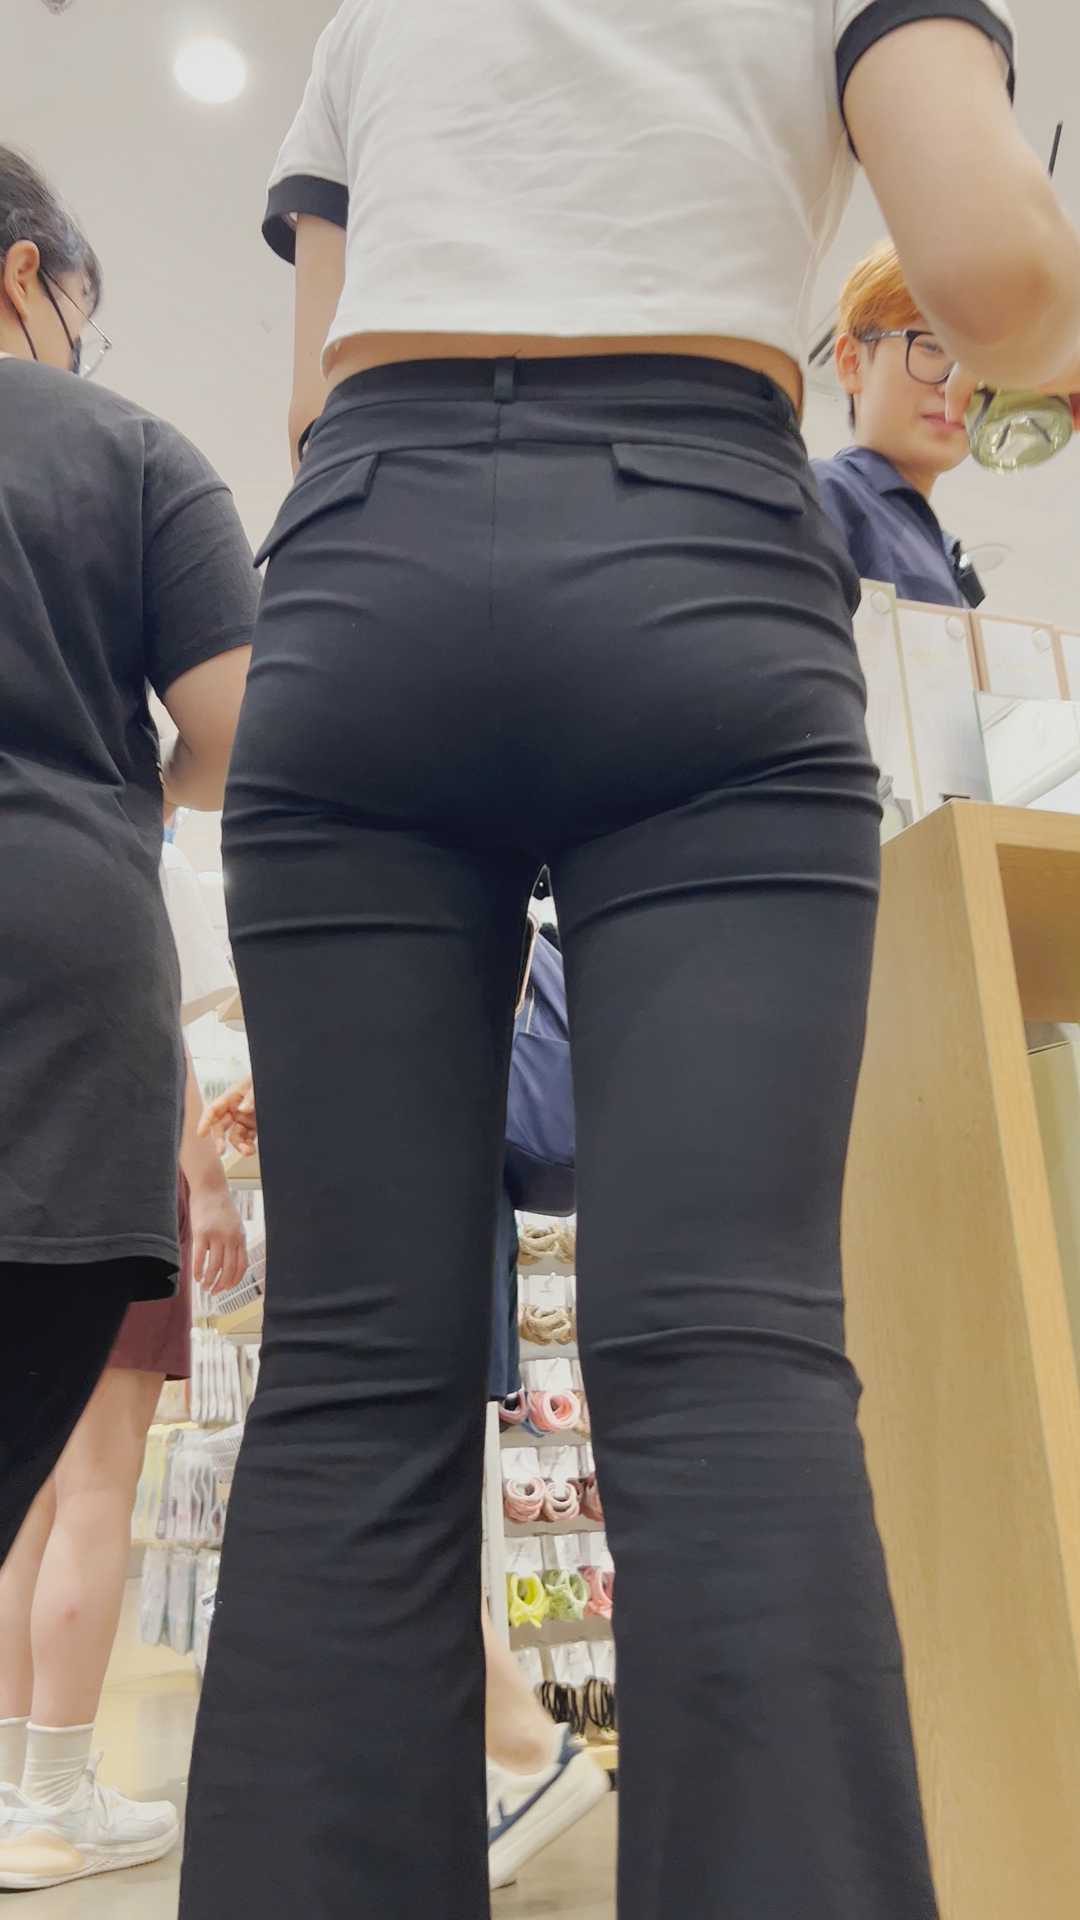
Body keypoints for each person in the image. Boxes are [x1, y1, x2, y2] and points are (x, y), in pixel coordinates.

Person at [179, 8, 1080, 1918]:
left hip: (365, 567)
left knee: (353, 1375)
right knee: (731, 1360)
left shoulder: (370, 18)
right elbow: (998, 277)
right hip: (696, 557)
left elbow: (309, 406)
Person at [198, 921, 608, 1891]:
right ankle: (471, 1771)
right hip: (411, 1209)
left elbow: (427, 1001)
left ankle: (521, 1754)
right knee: (382, 1512)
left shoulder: (413, 886)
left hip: (410, 1222)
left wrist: (309, 1068)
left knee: (374, 1513)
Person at [0, 146, 257, 1576]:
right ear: (23, 274)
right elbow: (237, 730)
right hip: (62, 990)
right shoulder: (134, 452)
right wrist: (141, 790)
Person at [812, 239, 988, 606]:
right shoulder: (822, 495)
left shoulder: (945, 553)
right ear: (851, 363)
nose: (955, 386)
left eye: (976, 361)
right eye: (931, 346)